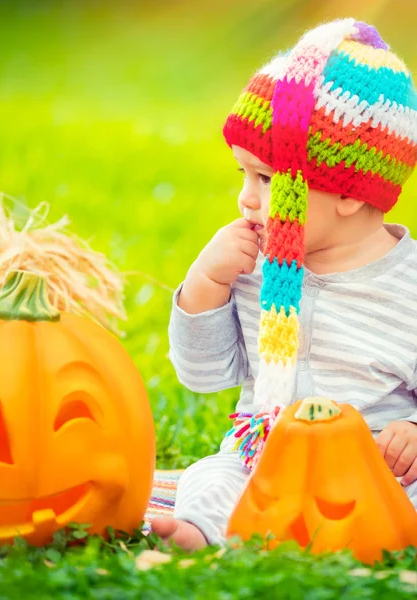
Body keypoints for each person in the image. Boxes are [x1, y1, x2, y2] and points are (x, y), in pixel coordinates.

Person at [151, 18, 417, 551]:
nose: (246, 199)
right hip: (264, 462)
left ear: (350, 192)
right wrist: (206, 283)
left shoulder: (407, 286)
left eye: (268, 180)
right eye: (243, 176)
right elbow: (203, 375)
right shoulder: (250, 265)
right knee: (211, 478)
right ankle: (198, 533)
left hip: (378, 473)